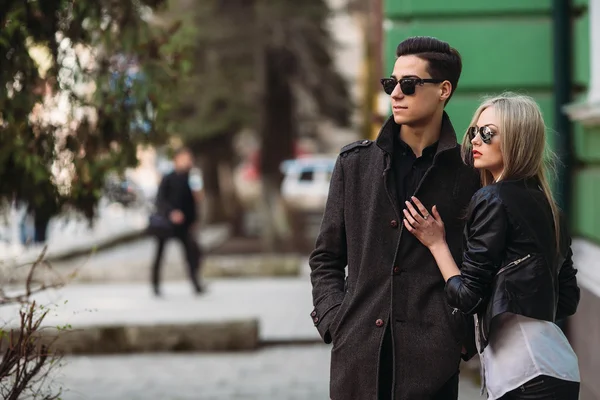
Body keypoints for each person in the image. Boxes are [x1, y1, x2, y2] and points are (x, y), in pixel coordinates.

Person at [309, 36, 481, 400]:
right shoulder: (355, 164)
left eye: (409, 84)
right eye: (391, 84)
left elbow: (480, 261)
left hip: (432, 363)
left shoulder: (469, 173)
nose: (396, 94)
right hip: (357, 358)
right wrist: (335, 321)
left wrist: (460, 335)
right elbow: (326, 257)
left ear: (443, 90)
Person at [404, 93, 581, 399]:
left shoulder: (492, 199)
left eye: (488, 133)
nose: (476, 140)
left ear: (517, 140)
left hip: (523, 375)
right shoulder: (551, 209)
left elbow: (467, 296)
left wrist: (436, 244)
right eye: (474, 131)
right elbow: (566, 299)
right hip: (558, 369)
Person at [151, 147, 204, 296]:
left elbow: (192, 203)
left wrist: (194, 219)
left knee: (193, 253)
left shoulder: (191, 178)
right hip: (166, 225)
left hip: (184, 225)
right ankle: (155, 286)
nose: (187, 161)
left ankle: (196, 284)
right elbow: (160, 200)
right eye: (185, 158)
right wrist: (171, 213)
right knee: (160, 255)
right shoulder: (168, 178)